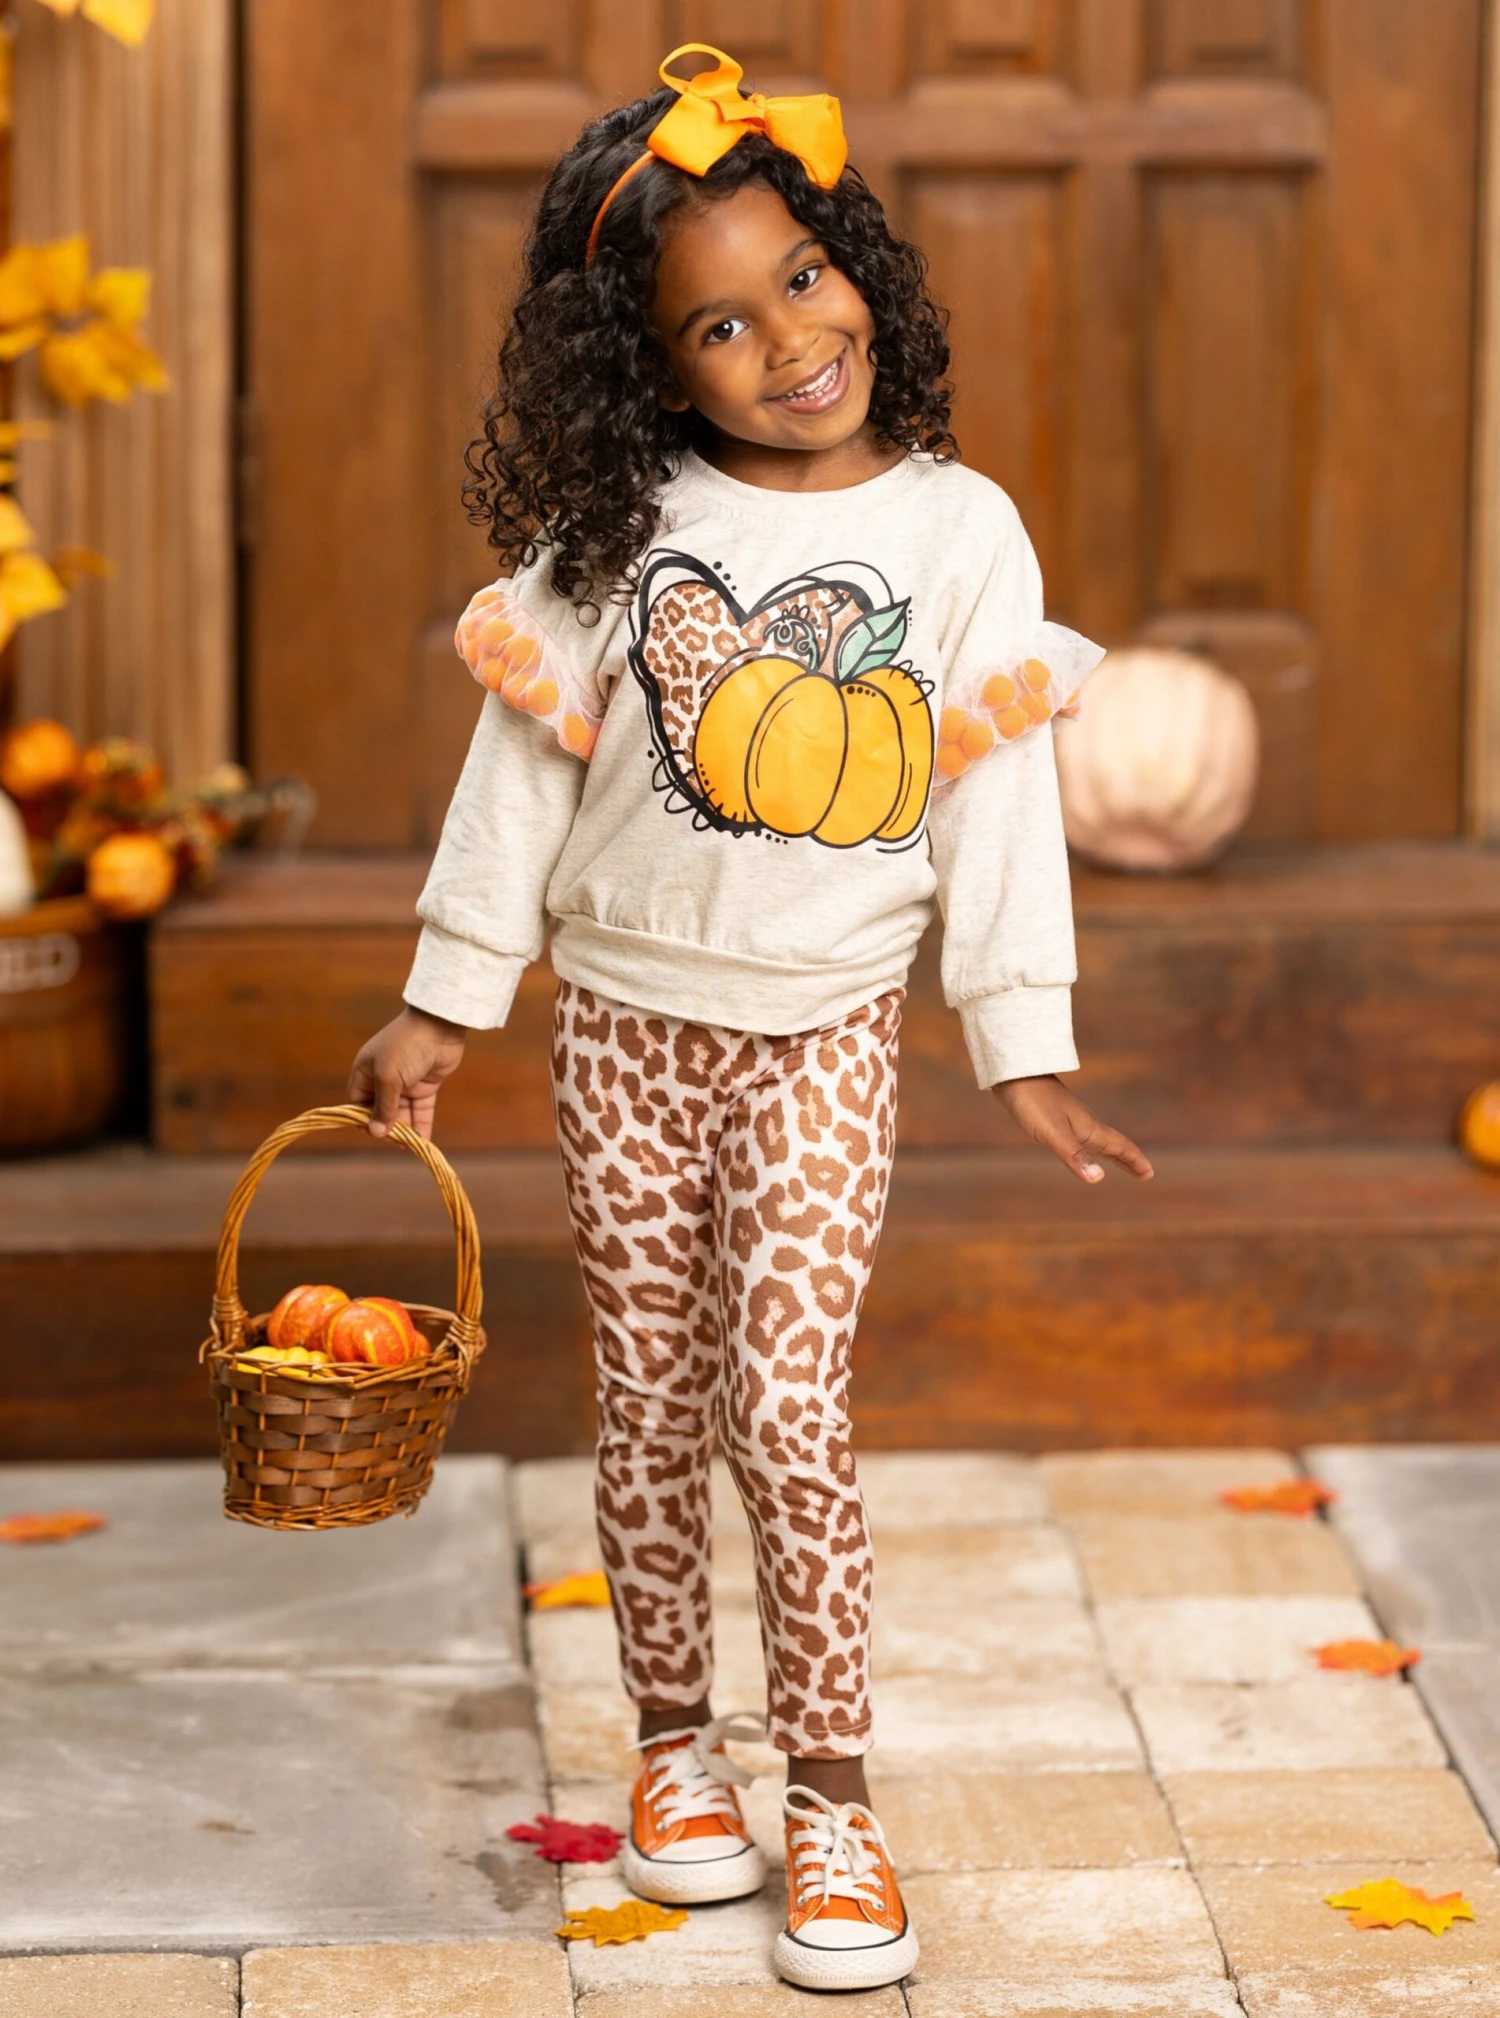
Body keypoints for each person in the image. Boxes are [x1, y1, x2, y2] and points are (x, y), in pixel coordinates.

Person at [349, 43, 1153, 1995]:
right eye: (721, 322)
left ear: (855, 257)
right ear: (649, 370)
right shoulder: (620, 533)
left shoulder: (961, 534)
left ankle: (837, 1795)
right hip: (622, 1032)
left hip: (825, 1041)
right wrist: (446, 998)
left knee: (785, 1407)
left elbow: (994, 808)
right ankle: (671, 1751)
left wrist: (1025, 1041)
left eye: (803, 275)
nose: (791, 339)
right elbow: (515, 786)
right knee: (646, 1395)